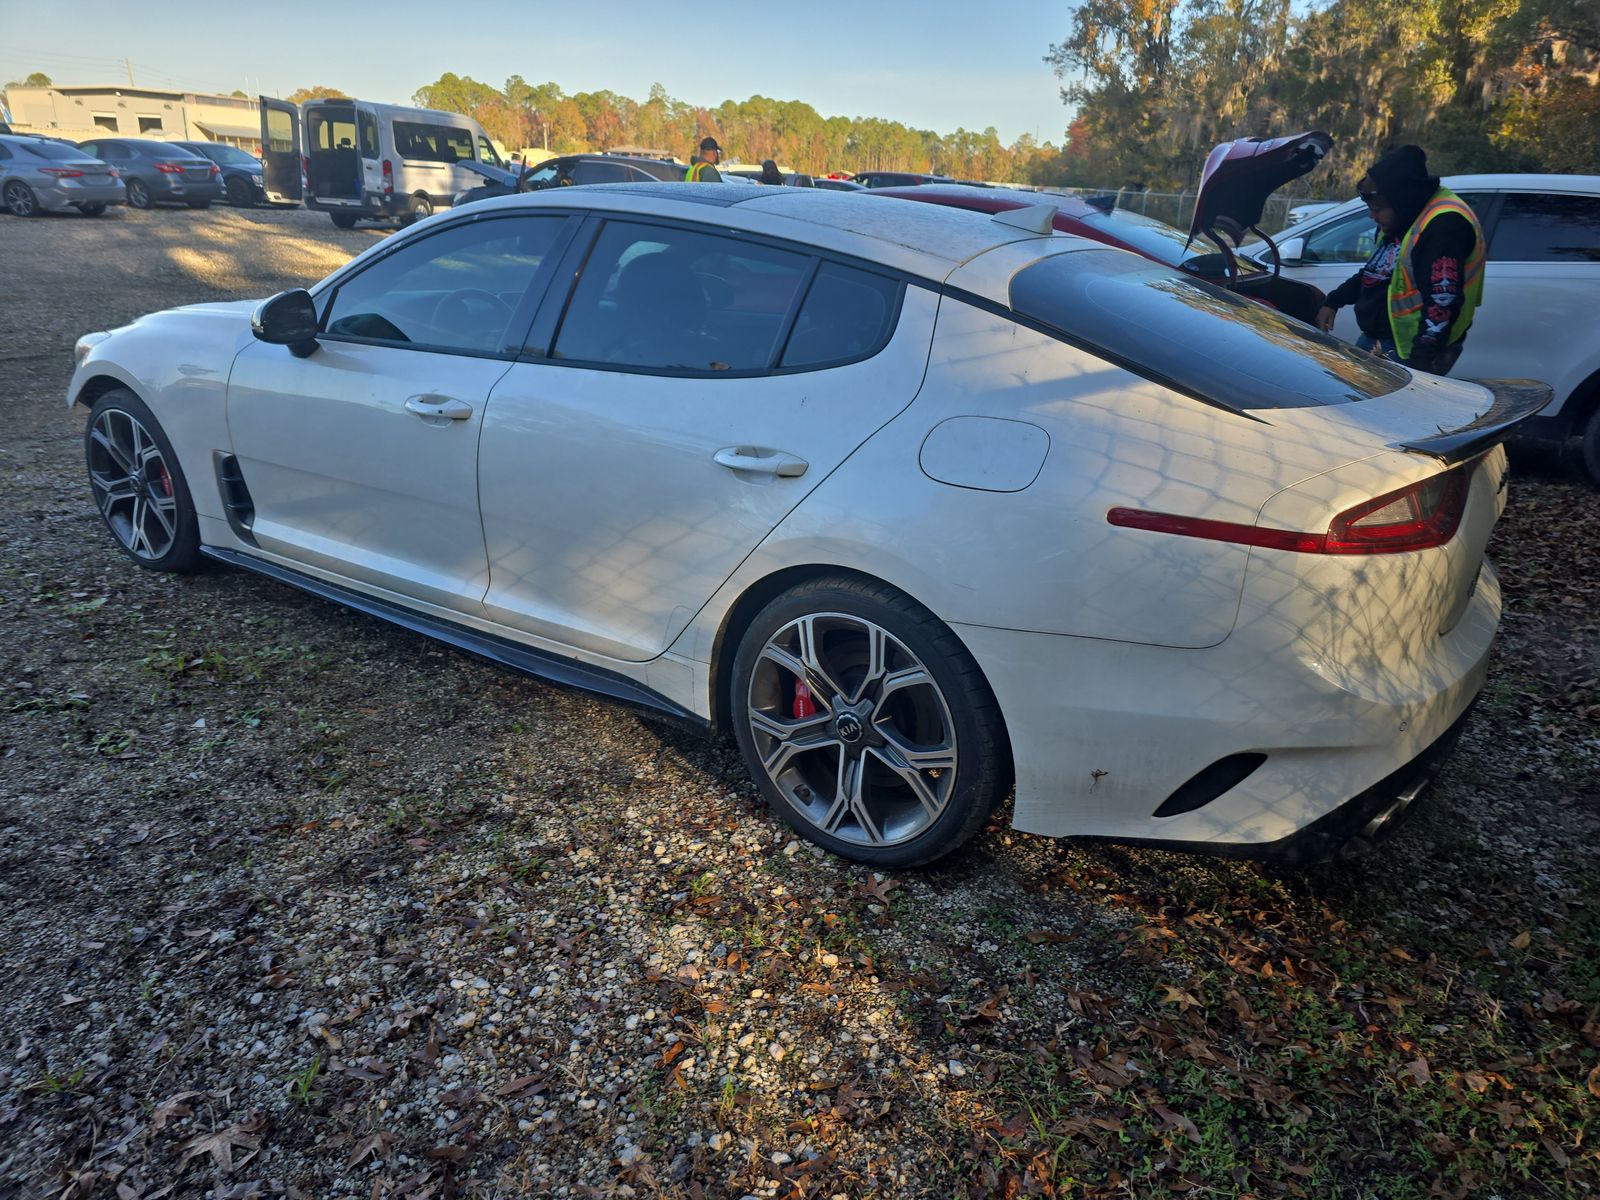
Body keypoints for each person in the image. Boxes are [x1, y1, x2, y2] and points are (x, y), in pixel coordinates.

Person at [1314, 145, 1483, 375]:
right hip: (1378, 342)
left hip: (1409, 352)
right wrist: (1334, 300)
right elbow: (1376, 272)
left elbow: (1442, 303)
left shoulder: (1443, 226)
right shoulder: (1402, 219)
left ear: (1401, 200)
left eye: (1378, 209)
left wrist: (1419, 367)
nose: (1372, 216)